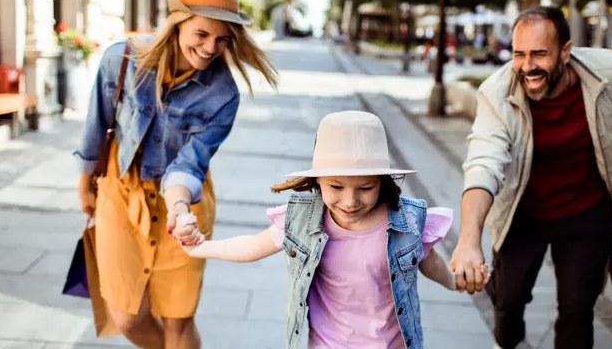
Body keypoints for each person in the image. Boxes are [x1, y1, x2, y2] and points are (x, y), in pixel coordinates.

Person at [74, 0, 278, 349]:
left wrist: (181, 211)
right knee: (127, 317)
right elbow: (95, 125)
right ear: (178, 24)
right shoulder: (121, 60)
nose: (210, 48)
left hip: (184, 205)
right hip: (120, 194)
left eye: (222, 39)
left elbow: (190, 163)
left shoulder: (223, 94)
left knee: (178, 321)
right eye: (201, 34)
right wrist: (85, 183)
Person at [173, 111, 479, 349]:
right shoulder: (303, 220)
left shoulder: (406, 222)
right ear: (317, 181)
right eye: (336, 186)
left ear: (383, 182)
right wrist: (199, 247)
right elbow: (253, 246)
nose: (350, 201)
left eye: (366, 187)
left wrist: (458, 283)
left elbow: (433, 264)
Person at [449, 6, 612, 349]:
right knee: (507, 301)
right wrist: (469, 239)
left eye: (540, 54)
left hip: (586, 212)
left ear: (566, 53)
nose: (528, 66)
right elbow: (483, 163)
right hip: (523, 212)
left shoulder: (611, 73)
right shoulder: (497, 93)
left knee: (577, 310)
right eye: (519, 54)